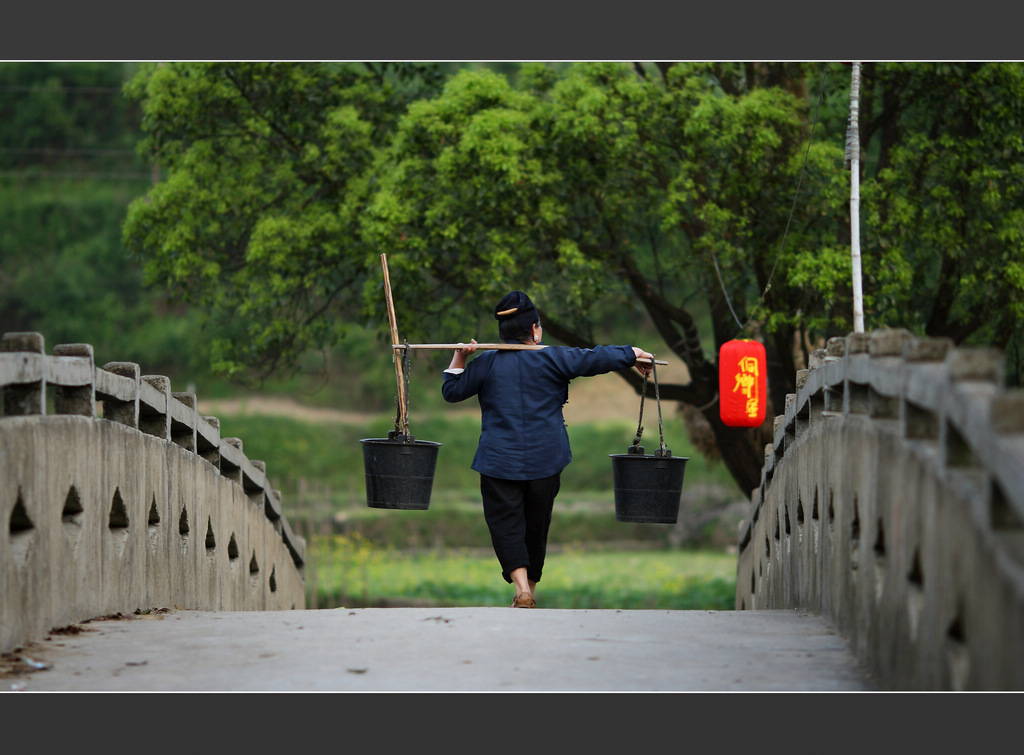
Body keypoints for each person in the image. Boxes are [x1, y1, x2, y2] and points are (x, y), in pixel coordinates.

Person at [441, 290, 654, 608]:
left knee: (505, 523)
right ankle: (529, 591)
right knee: (536, 525)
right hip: (546, 459)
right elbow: (593, 357)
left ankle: (522, 588)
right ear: (535, 330)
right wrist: (632, 352)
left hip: (499, 462)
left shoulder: (486, 363)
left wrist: (460, 356)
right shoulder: (554, 357)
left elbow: (452, 391)